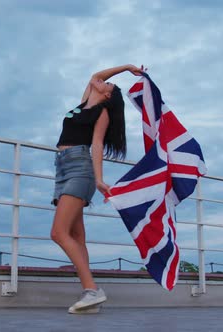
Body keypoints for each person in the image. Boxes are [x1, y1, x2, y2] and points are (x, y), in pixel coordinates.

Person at [50, 64, 144, 313]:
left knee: (58, 233)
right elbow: (97, 75)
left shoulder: (101, 114)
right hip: (62, 169)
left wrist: (99, 180)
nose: (101, 82)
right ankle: (90, 297)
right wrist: (126, 67)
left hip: (80, 169)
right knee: (77, 237)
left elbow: (97, 146)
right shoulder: (82, 106)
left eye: (107, 85)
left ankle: (93, 290)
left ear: (107, 96)